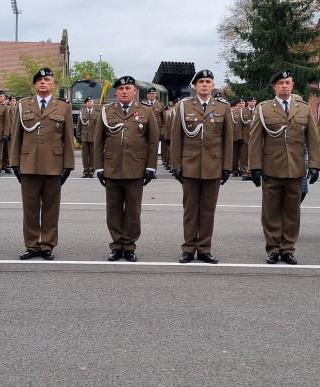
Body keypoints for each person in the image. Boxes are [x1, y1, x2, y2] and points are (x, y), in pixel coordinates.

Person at [249, 69, 320, 264]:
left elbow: (313, 139)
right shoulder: (264, 109)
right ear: (274, 86)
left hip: (296, 168)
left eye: (287, 83)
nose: (284, 86)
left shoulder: (304, 108)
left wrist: (315, 165)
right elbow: (255, 140)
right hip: (271, 167)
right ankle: (273, 248)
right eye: (280, 83)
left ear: (293, 85)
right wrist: (254, 167)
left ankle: (288, 248)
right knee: (271, 211)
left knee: (292, 212)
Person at [170, 69, 233, 263]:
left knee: (208, 210)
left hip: (213, 165)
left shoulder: (223, 108)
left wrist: (227, 166)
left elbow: (228, 139)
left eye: (208, 81)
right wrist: (176, 165)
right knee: (190, 210)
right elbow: (176, 138)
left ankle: (204, 248)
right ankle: (188, 248)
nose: (205, 85)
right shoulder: (184, 106)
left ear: (213, 85)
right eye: (201, 82)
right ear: (195, 86)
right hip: (190, 165)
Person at [93, 75, 159, 261]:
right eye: (121, 89)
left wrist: (151, 167)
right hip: (112, 167)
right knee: (113, 209)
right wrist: (98, 168)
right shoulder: (107, 111)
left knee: (133, 210)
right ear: (115, 91)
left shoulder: (145, 111)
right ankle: (116, 245)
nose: (124, 91)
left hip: (136, 168)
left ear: (135, 91)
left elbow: (153, 142)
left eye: (128, 88)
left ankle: (129, 245)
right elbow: (98, 142)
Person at [11, 67, 75, 259]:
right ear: (34, 84)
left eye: (47, 79)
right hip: (28, 163)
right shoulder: (23, 105)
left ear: (53, 84)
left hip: (53, 165)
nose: (42, 82)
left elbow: (68, 139)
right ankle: (31, 245)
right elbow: (16, 136)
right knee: (29, 208)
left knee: (50, 208)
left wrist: (68, 166)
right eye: (39, 80)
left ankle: (47, 245)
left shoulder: (63, 107)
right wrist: (15, 163)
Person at [76, 96, 98, 177]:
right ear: (85, 103)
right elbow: (79, 126)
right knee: (85, 156)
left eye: (91, 101)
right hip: (84, 137)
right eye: (88, 101)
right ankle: (85, 171)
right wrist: (78, 136)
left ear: (93, 103)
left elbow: (98, 127)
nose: (89, 103)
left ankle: (91, 171)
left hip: (93, 137)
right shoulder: (82, 112)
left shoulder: (97, 113)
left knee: (92, 155)